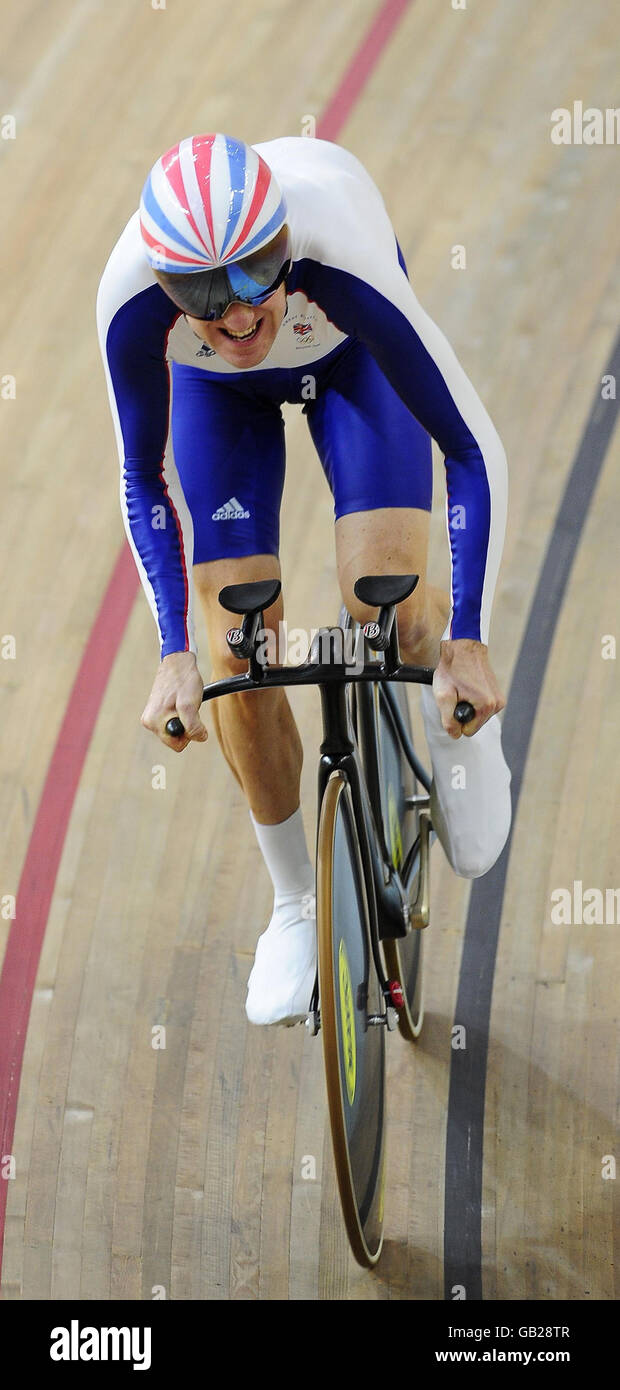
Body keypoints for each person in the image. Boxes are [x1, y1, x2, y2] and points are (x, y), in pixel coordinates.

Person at [96, 133, 511, 1026]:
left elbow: (471, 447)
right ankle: (293, 903)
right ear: (165, 285)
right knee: (234, 654)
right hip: (219, 399)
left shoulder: (341, 260)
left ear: (288, 245)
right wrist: (174, 653)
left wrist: (470, 638)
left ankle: (461, 729)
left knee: (387, 602)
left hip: (351, 358)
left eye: (258, 274)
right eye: (205, 294)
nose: (241, 312)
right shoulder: (129, 302)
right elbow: (141, 477)